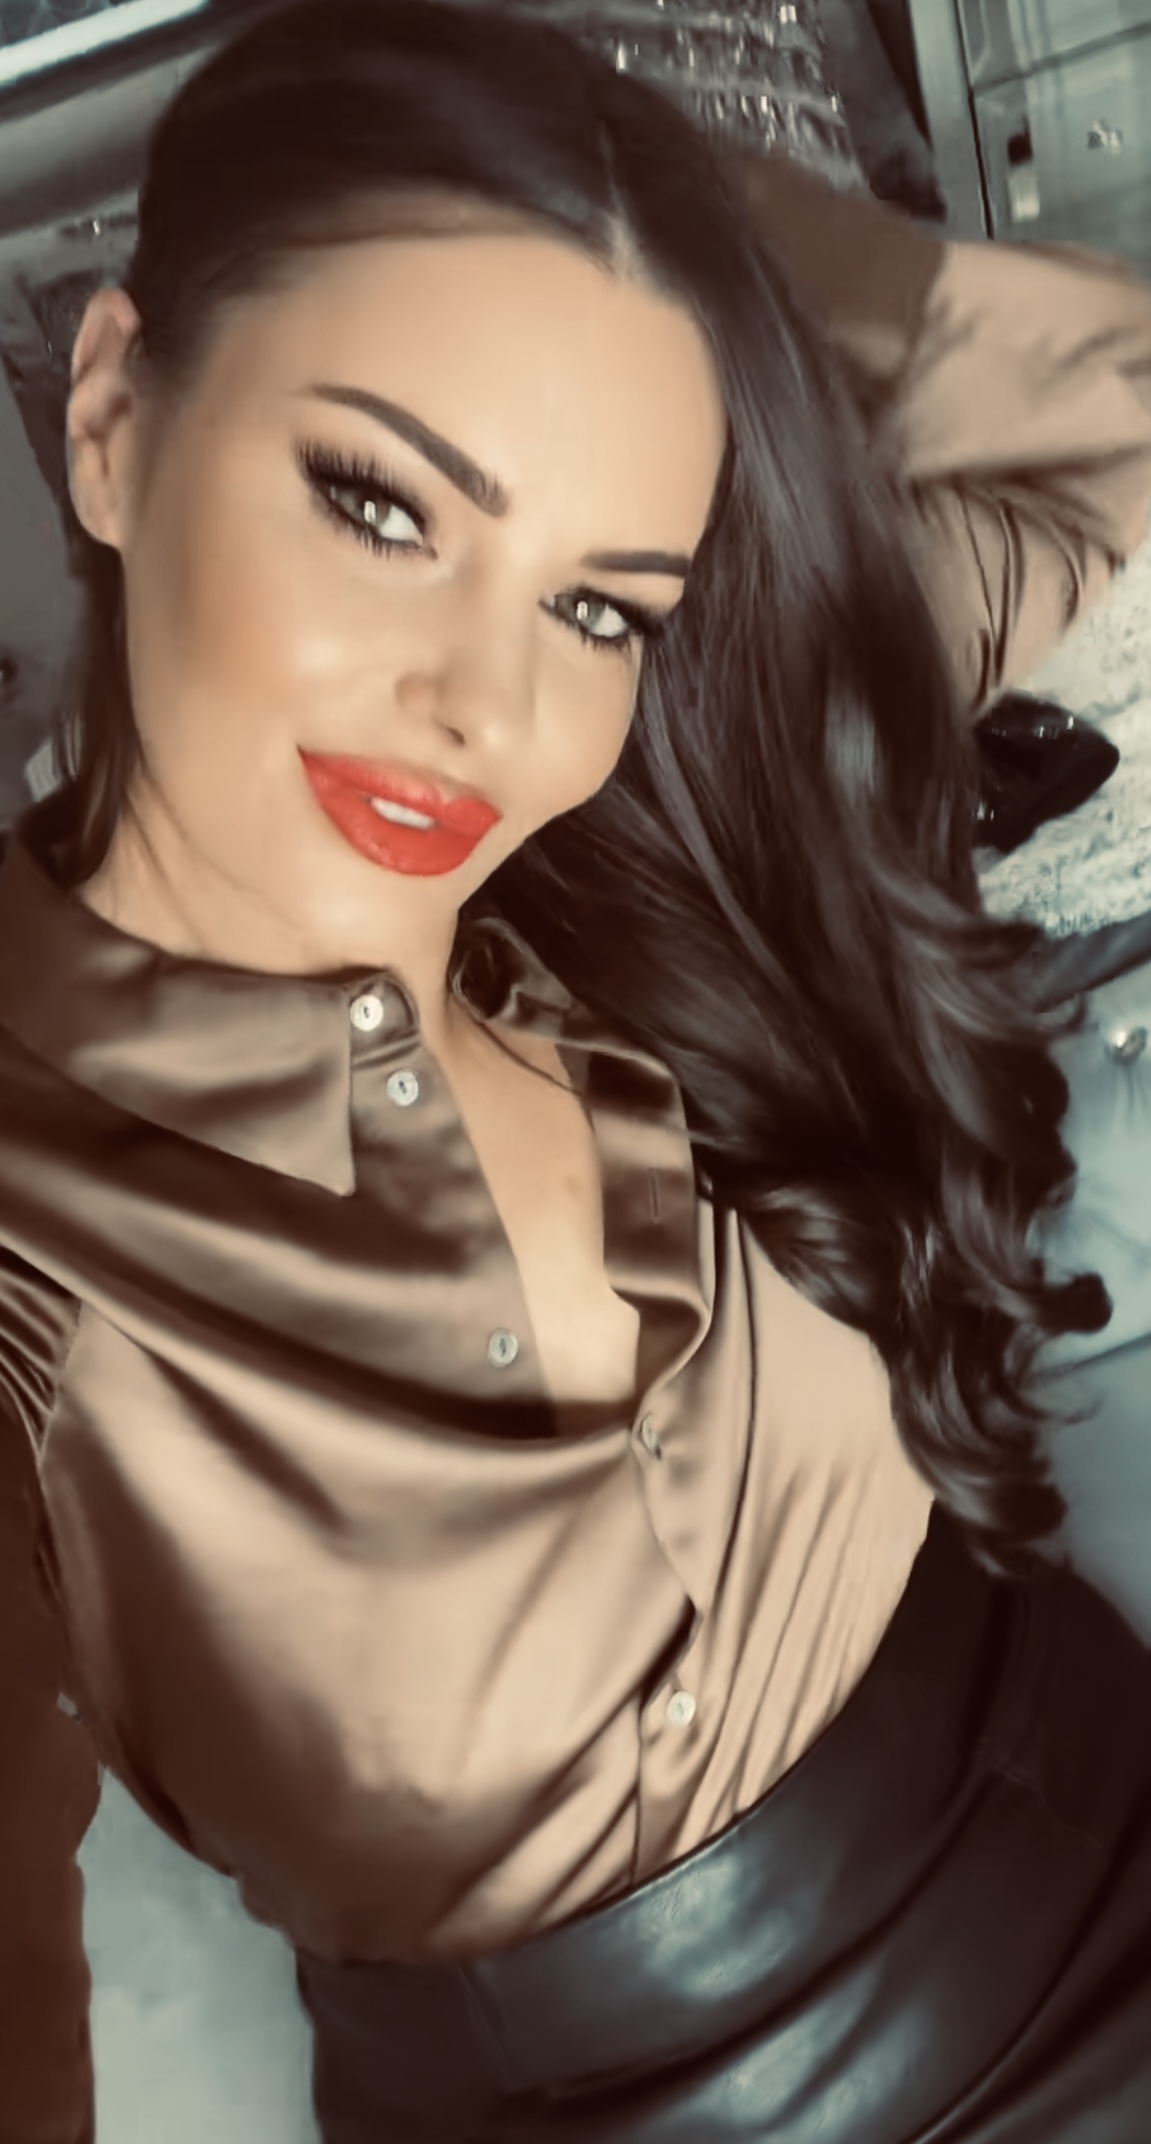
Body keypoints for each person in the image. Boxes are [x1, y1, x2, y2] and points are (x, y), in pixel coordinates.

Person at [2, 2, 1151, 2138]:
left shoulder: (680, 795)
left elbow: (1119, 414)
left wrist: (688, 243)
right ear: (112, 418)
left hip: (1094, 1822)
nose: (486, 707)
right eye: (379, 503)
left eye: (601, 605)